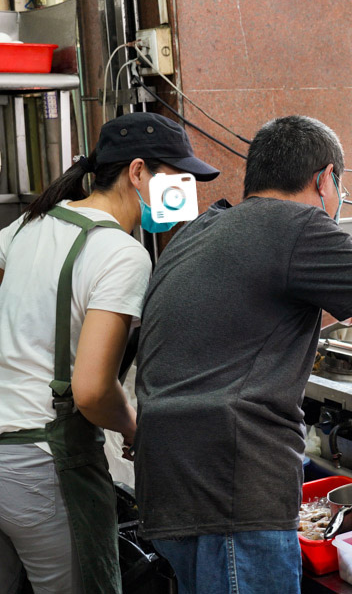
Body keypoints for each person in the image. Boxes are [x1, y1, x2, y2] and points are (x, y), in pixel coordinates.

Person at [134, 115, 352, 593]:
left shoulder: (202, 230)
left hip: (168, 484)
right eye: (338, 185)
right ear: (326, 180)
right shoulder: (296, 224)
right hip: (234, 487)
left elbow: (262, 317)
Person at [0, 112, 219, 594]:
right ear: (137, 172)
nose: (186, 189)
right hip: (44, 465)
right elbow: (94, 390)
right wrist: (135, 427)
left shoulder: (26, 226)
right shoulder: (121, 253)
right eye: (177, 176)